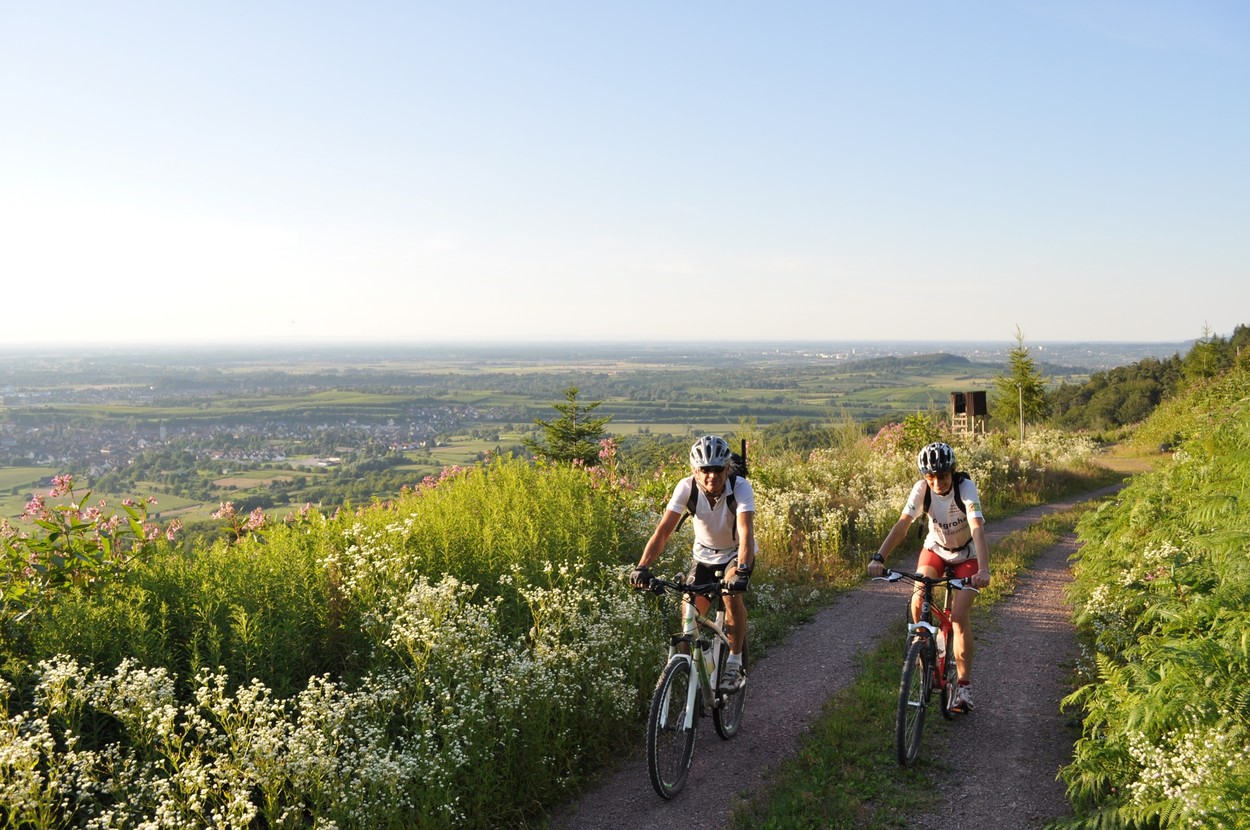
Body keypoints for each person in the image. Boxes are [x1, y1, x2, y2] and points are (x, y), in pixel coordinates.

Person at [867, 441, 990, 712]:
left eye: (942, 475)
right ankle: (923, 653)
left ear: (952, 471)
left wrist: (984, 569)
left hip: (967, 556)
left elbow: (977, 528)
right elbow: (903, 524)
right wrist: (879, 557)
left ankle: (964, 686)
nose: (936, 482)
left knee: (958, 617)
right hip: (935, 550)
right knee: (917, 598)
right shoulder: (922, 489)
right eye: (930, 476)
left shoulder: (965, 488)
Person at [630, 435, 757, 692]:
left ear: (728, 468)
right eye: (705, 470)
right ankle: (691, 678)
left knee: (731, 595)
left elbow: (746, 532)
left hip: (736, 554)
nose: (712, 476)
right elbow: (663, 531)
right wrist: (642, 567)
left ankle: (734, 662)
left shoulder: (740, 487)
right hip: (704, 556)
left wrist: (742, 571)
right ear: (694, 470)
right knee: (689, 618)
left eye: (718, 469)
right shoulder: (686, 488)